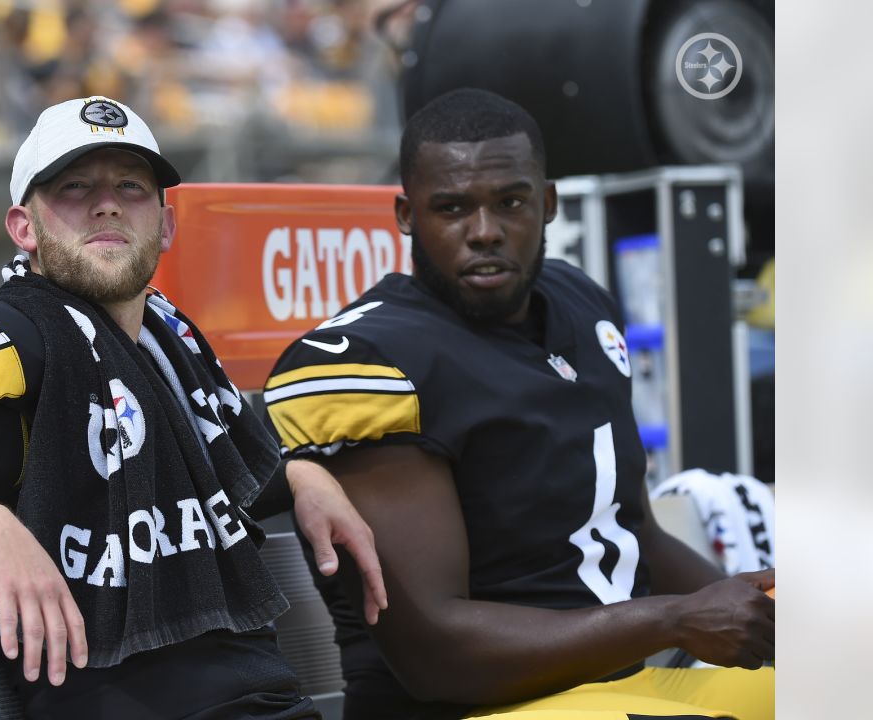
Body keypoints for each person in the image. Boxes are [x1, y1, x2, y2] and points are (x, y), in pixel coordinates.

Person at [0, 95, 386, 719]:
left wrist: (300, 473)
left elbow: (196, 480)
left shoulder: (172, 343)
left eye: (132, 187)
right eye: (74, 186)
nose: (107, 201)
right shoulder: (12, 355)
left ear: (165, 226)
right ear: (24, 228)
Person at [263, 88, 774, 720]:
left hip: (621, 687)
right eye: (451, 208)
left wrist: (764, 609)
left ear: (549, 202)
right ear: (405, 214)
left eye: (510, 202)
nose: (484, 232)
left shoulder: (579, 302)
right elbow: (435, 657)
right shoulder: (367, 357)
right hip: (473, 706)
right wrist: (676, 619)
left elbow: (632, 527)